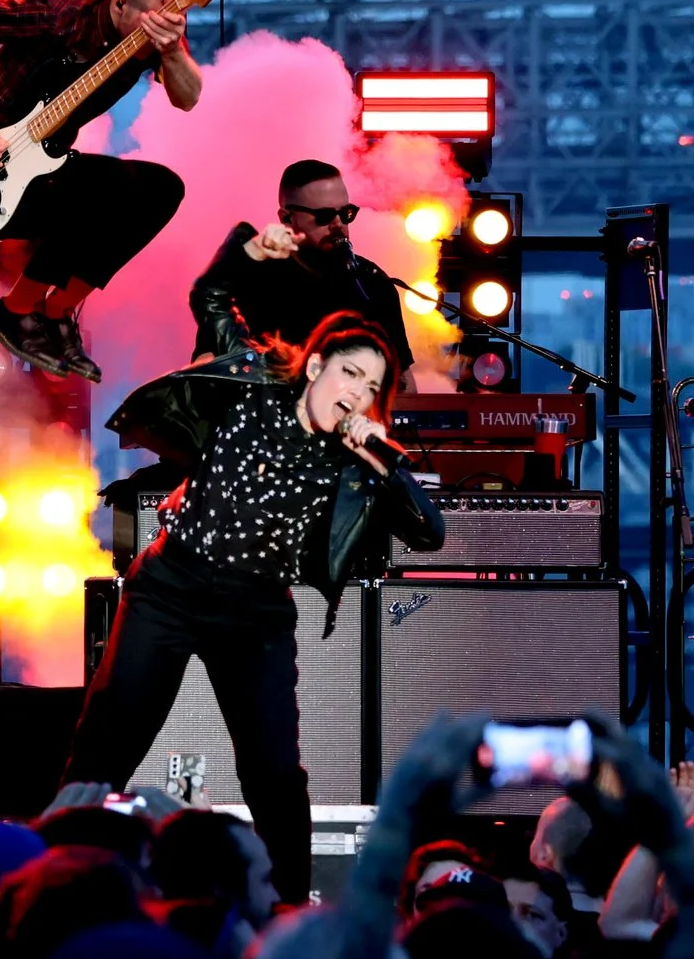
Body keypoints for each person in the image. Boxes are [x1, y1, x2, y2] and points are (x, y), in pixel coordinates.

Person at [60, 312, 443, 902]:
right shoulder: (251, 388)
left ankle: (287, 904)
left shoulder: (351, 464)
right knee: (109, 740)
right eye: (350, 373)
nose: (358, 393)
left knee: (273, 772)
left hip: (255, 613)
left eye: (372, 387)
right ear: (315, 367)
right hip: (169, 587)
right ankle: (54, 875)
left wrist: (383, 461)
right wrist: (251, 246)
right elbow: (213, 303)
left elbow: (429, 533)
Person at [0, 0, 202, 382]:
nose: (154, 30)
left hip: (43, 167)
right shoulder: (63, 16)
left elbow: (188, 97)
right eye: (148, 19)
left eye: (165, 21)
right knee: (94, 195)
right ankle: (16, 311)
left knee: (160, 190)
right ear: (119, 2)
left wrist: (171, 51)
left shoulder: (158, 35)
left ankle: (56, 311)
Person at [190, 157, 414, 381]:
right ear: (287, 218)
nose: (338, 225)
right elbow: (205, 369)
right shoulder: (248, 281)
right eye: (324, 216)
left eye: (346, 213)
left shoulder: (372, 282)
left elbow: (404, 381)